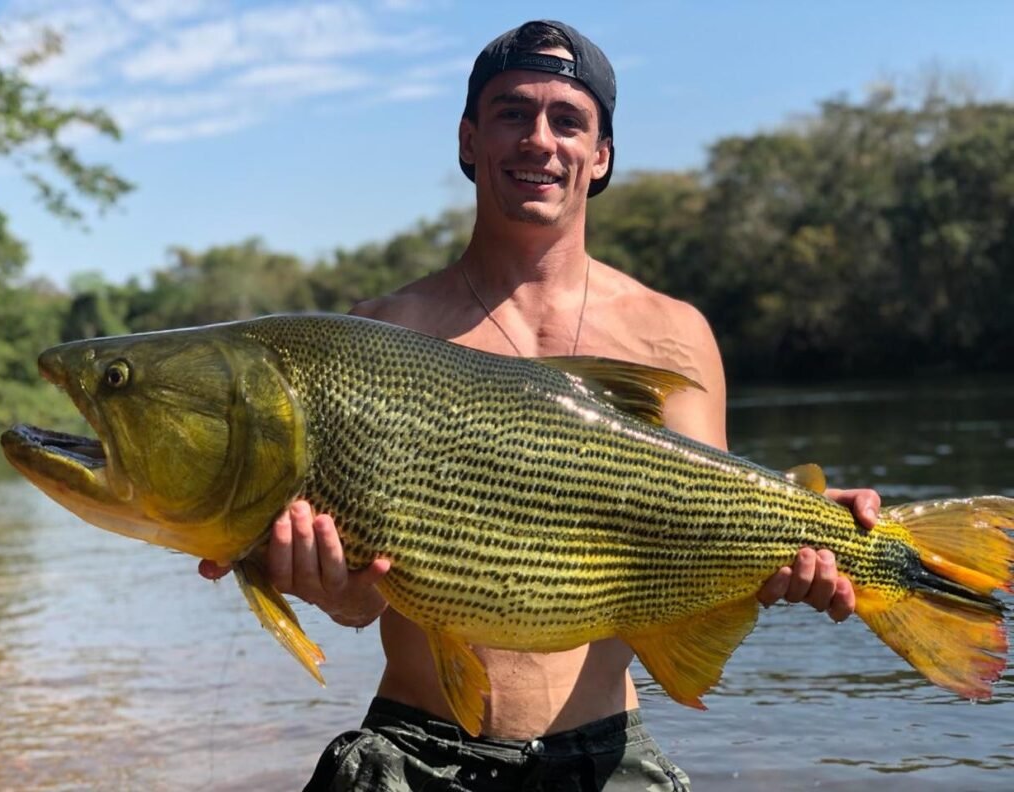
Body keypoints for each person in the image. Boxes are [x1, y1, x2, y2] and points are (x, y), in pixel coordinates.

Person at [200, 20, 881, 791]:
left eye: (569, 119)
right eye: (512, 113)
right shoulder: (382, 334)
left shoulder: (675, 335)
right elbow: (360, 603)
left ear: (602, 155)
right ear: (468, 140)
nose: (540, 139)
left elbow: (711, 531)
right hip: (412, 753)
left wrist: (806, 533)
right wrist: (339, 594)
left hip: (608, 757)